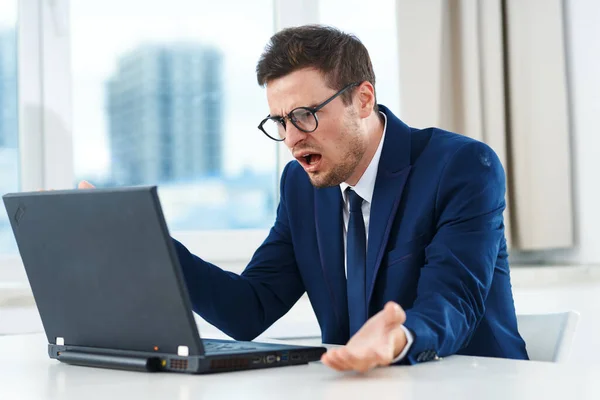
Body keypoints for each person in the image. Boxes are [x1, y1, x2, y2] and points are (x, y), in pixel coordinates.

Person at [80, 25, 528, 372]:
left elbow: (453, 302)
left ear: (363, 99)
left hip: (472, 384)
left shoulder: (462, 167)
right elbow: (248, 309)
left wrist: (397, 338)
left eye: (305, 115)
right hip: (363, 387)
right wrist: (145, 242)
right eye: (280, 121)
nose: (292, 139)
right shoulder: (301, 186)